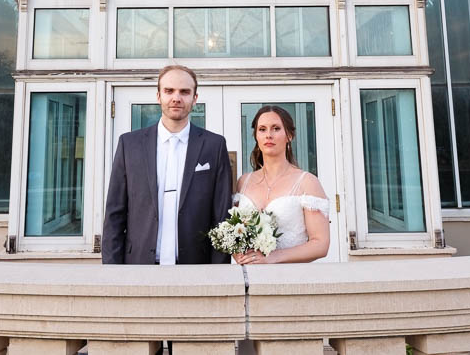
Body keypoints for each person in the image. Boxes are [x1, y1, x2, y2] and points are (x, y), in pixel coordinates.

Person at [102, 64, 233, 265]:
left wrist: (219, 271)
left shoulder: (214, 145)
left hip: (197, 267)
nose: (176, 98)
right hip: (138, 265)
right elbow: (114, 214)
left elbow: (221, 215)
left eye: (184, 92)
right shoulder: (129, 144)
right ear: (158, 96)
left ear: (195, 98)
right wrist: (111, 270)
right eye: (169, 91)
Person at [232, 105, 330, 264]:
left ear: (289, 135)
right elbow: (235, 233)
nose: (268, 135)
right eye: (262, 129)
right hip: (250, 277)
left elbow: (320, 244)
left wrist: (273, 257)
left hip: (289, 278)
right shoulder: (244, 182)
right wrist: (238, 253)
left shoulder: (307, 182)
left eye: (276, 128)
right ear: (256, 135)